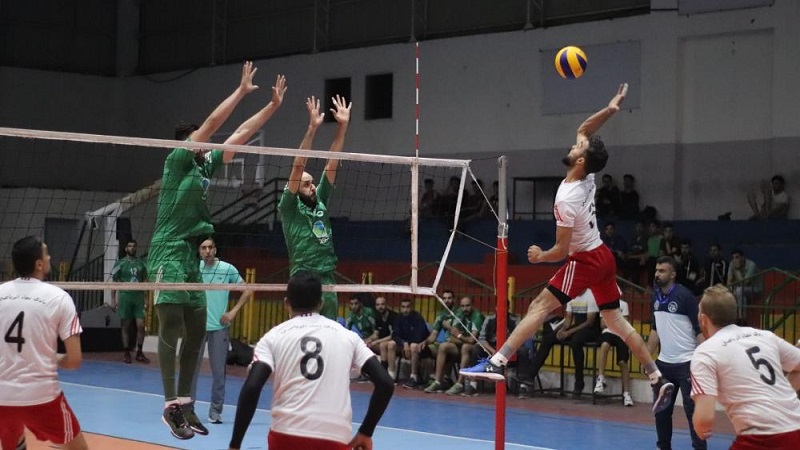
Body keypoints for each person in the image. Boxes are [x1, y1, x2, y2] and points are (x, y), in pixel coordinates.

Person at [461, 84, 676, 414]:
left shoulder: (566, 199)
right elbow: (584, 129)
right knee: (616, 321)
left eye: (577, 146)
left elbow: (561, 251)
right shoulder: (587, 176)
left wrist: (540, 257)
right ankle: (657, 378)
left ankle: (497, 361)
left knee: (539, 305)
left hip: (585, 259)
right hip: (603, 255)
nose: (574, 142)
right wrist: (611, 109)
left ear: (580, 159)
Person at [147, 62, 286, 440]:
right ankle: (169, 406)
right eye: (199, 139)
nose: (205, 142)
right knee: (172, 326)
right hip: (167, 251)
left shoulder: (205, 164)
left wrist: (272, 106)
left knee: (196, 328)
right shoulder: (177, 160)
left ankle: (186, 402)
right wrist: (240, 91)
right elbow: (212, 123)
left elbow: (239, 133)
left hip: (190, 255)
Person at [227, 271, 394, 450]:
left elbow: (252, 387)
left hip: (286, 434)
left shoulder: (273, 337)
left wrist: (235, 445)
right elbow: (385, 383)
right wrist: (366, 432)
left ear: (286, 303)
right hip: (334, 437)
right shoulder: (349, 337)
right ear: (321, 303)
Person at [0, 236, 88, 450]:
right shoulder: (59, 298)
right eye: (46, 254)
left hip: (2, 398)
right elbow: (74, 360)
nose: (50, 258)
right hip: (42, 398)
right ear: (39, 264)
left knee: (13, 437)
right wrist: (53, 357)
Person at [691, 284, 800, 449]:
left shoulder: (705, 352)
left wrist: (701, 428)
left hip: (762, 438)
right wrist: (783, 395)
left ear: (704, 319)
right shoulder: (765, 336)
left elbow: (704, 418)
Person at [279, 95, 351, 320]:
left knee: (327, 331)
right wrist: (312, 129)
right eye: (306, 184)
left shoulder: (320, 199)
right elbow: (298, 166)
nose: (312, 187)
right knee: (301, 331)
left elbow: (332, 162)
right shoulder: (289, 207)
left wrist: (342, 126)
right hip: (302, 277)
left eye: (312, 183)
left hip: (327, 277)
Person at [189, 237, 253, 425]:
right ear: (199, 251)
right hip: (197, 327)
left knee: (218, 373)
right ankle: (187, 409)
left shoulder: (227, 269)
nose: (207, 251)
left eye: (210, 247)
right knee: (190, 371)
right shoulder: (194, 268)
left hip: (219, 328)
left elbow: (247, 291)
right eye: (203, 248)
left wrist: (233, 312)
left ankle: (215, 412)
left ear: (215, 250)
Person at [646, 256, 706, 450]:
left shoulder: (686, 296)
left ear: (672, 274)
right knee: (661, 411)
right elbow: (655, 330)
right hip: (664, 364)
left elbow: (698, 330)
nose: (657, 274)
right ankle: (663, 447)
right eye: (656, 270)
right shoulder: (655, 296)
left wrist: (706, 360)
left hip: (687, 363)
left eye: (662, 271)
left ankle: (700, 448)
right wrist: (647, 359)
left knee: (692, 410)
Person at [521, 289, 601, 396]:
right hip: (576, 327)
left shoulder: (591, 296)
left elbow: (589, 322)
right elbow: (568, 321)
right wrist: (562, 331)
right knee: (549, 338)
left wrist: (569, 333)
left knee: (576, 341)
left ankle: (579, 382)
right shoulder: (572, 296)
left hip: (591, 330)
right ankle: (530, 377)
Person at [110, 238, 149, 364]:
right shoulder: (119, 263)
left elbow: (145, 282)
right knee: (125, 326)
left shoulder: (141, 263)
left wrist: (146, 298)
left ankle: (139, 352)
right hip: (125, 297)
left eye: (134, 246)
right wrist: (113, 300)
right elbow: (114, 282)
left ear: (136, 248)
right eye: (130, 246)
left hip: (138, 298)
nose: (132, 248)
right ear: (126, 248)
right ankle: (126, 352)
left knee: (141, 326)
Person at [593, 299, 634, 407]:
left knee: (622, 362)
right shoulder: (604, 304)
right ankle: (600, 379)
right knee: (605, 345)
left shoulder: (624, 305)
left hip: (621, 335)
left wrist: (611, 322)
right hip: (608, 333)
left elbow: (625, 324)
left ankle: (627, 394)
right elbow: (602, 324)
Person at [392, 298, 430, 388]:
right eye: (403, 307)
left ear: (412, 307)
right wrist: (403, 343)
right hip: (404, 346)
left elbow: (419, 337)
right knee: (390, 344)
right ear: (400, 308)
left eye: (408, 307)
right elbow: (394, 335)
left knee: (413, 346)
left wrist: (407, 343)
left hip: (422, 347)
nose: (405, 309)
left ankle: (414, 377)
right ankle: (391, 374)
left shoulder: (417, 317)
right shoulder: (398, 318)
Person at [726, 249, 759, 321]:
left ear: (743, 258)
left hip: (755, 289)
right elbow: (728, 282)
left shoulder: (751, 265)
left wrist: (737, 270)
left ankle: (741, 318)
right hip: (739, 289)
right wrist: (732, 290)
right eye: (733, 258)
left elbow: (745, 283)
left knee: (739, 290)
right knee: (732, 291)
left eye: (737, 257)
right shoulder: (732, 263)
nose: (734, 260)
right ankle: (730, 319)